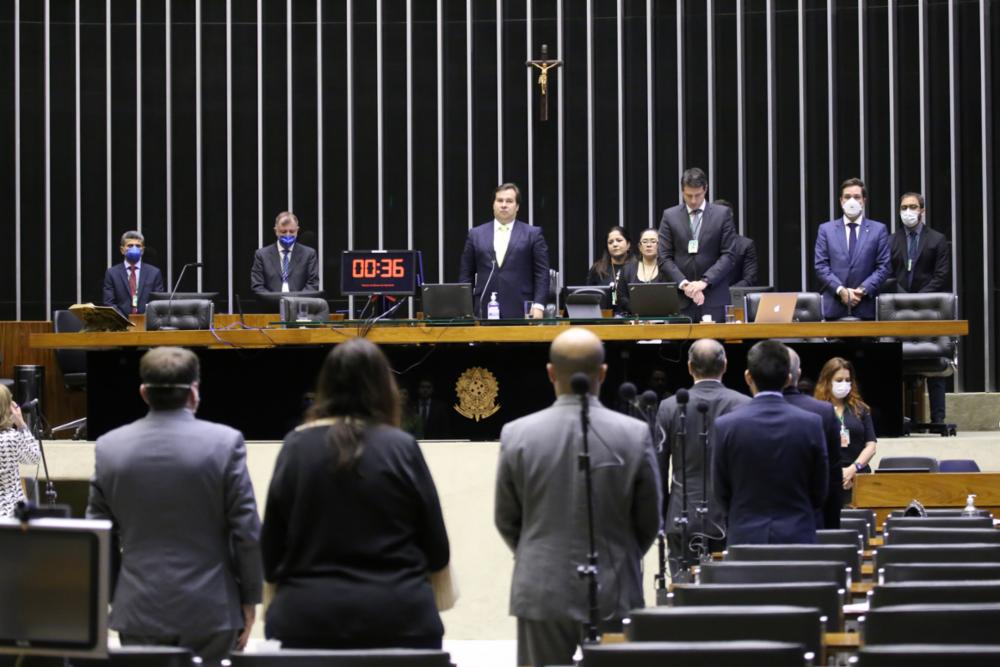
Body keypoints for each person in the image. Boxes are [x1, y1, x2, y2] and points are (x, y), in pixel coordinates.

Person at [261, 338, 450, 649]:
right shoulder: (402, 447)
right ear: (384, 388)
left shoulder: (295, 447)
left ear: (325, 387)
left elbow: (270, 557)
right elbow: (438, 551)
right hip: (401, 618)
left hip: (306, 620)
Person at [495, 328, 661, 667]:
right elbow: (649, 520)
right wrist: (619, 551)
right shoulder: (634, 433)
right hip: (616, 587)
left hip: (541, 586)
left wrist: (538, 552)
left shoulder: (517, 434)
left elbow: (506, 518)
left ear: (551, 373)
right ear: (603, 373)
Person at [86, 347, 261, 665]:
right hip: (212, 609)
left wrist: (116, 596)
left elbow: (98, 536)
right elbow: (246, 532)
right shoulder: (225, 443)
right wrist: (250, 600)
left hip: (138, 608)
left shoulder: (109, 447)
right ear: (194, 392)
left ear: (143, 393)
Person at [713, 341, 828, 545]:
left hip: (745, 538)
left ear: (748, 377)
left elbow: (721, 492)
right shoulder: (811, 424)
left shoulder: (725, 426)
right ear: (788, 379)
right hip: (798, 536)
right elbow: (819, 491)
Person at [656, 339, 749, 574]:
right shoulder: (744, 405)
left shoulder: (669, 406)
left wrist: (663, 514)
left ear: (689, 367)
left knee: (682, 593)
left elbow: (657, 468)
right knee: (731, 593)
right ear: (725, 365)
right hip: (732, 516)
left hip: (681, 513)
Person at [890, 192, 952, 423]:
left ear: (922, 210)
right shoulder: (891, 240)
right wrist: (904, 298)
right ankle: (899, 419)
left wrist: (918, 298)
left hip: (930, 310)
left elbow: (941, 275)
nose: (908, 211)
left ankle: (938, 419)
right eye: (904, 207)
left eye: (913, 206)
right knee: (897, 363)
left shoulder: (937, 239)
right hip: (898, 311)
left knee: (935, 363)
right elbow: (887, 273)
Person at [459, 183, 550, 319]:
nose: (504, 205)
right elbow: (466, 274)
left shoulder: (533, 234)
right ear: (493, 205)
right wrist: (465, 308)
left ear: (517, 206)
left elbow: (542, 273)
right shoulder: (476, 234)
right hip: (484, 309)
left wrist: (538, 305)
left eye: (509, 201)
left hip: (521, 308)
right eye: (500, 200)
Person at [657, 168, 737, 322]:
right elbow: (664, 257)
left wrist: (704, 282)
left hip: (714, 297)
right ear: (682, 191)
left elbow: (728, 255)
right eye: (688, 195)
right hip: (680, 299)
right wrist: (686, 285)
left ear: (705, 189)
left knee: (712, 345)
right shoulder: (670, 216)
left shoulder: (722, 214)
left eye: (698, 195)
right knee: (678, 346)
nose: (693, 201)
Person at [814, 178, 891, 320]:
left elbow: (884, 267)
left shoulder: (879, 230)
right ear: (841, 201)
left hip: (866, 307)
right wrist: (841, 290)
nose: (852, 201)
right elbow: (821, 266)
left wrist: (861, 291)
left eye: (856, 197)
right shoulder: (826, 230)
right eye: (847, 197)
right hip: (834, 306)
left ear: (864, 201)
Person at [782, 348, 842, 529]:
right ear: (797, 374)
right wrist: (832, 529)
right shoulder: (823, 412)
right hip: (808, 524)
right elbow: (831, 478)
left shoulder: (733, 420)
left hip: (751, 535)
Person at [813, 356, 877, 499]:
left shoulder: (861, 409)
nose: (844, 384)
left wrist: (853, 469)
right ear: (827, 381)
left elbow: (871, 446)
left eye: (848, 380)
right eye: (839, 380)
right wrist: (836, 474)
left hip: (859, 476)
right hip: (827, 478)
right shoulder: (816, 410)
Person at [250, 211, 320, 293]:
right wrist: (275, 300)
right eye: (283, 231)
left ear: (297, 230)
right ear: (276, 231)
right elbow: (257, 286)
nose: (288, 235)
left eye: (291, 231)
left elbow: (313, 284)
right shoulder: (262, 255)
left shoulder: (309, 254)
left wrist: (295, 301)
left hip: (299, 304)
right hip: (270, 304)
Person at [102, 231, 166, 316]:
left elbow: (158, 302)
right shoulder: (112, 273)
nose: (134, 248)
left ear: (142, 250)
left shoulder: (154, 273)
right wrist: (124, 321)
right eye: (130, 245)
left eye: (138, 246)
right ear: (122, 250)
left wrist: (144, 319)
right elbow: (109, 302)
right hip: (122, 324)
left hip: (147, 323)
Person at [0, 385, 40, 517]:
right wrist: (22, 424)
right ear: (7, 408)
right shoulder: (11, 438)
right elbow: (34, 457)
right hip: (9, 513)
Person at [586, 225, 636, 312]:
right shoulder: (598, 269)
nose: (615, 244)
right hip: (604, 319)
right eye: (610, 242)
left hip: (632, 319)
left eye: (619, 240)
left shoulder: (638, 267)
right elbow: (588, 296)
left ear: (628, 244)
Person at [712, 199, 758, 288]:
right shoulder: (702, 243)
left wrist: (727, 293)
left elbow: (749, 278)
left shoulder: (745, 245)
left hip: (734, 297)